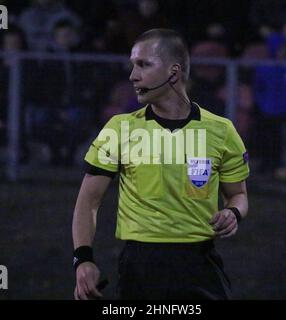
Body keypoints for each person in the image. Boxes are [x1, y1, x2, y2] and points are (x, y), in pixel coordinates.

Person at [72, 29, 249, 300]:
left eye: (143, 64)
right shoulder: (119, 129)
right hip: (141, 268)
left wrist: (233, 213)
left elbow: (238, 195)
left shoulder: (221, 131)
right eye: (133, 65)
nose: (133, 75)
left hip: (200, 264)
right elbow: (88, 200)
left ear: (173, 72)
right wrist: (82, 259)